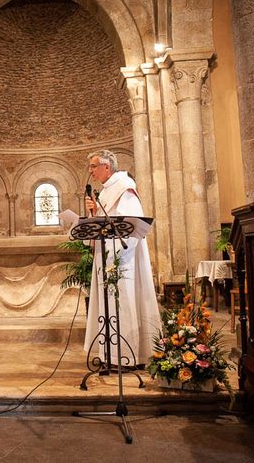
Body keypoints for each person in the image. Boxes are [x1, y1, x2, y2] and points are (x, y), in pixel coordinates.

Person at [83, 150, 161, 365]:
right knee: (107, 307)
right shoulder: (105, 191)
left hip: (121, 260)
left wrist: (117, 257)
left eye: (93, 167)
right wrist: (92, 213)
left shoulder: (125, 188)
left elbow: (133, 227)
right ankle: (110, 354)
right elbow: (102, 225)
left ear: (106, 167)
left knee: (123, 303)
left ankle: (127, 356)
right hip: (105, 257)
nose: (90, 172)